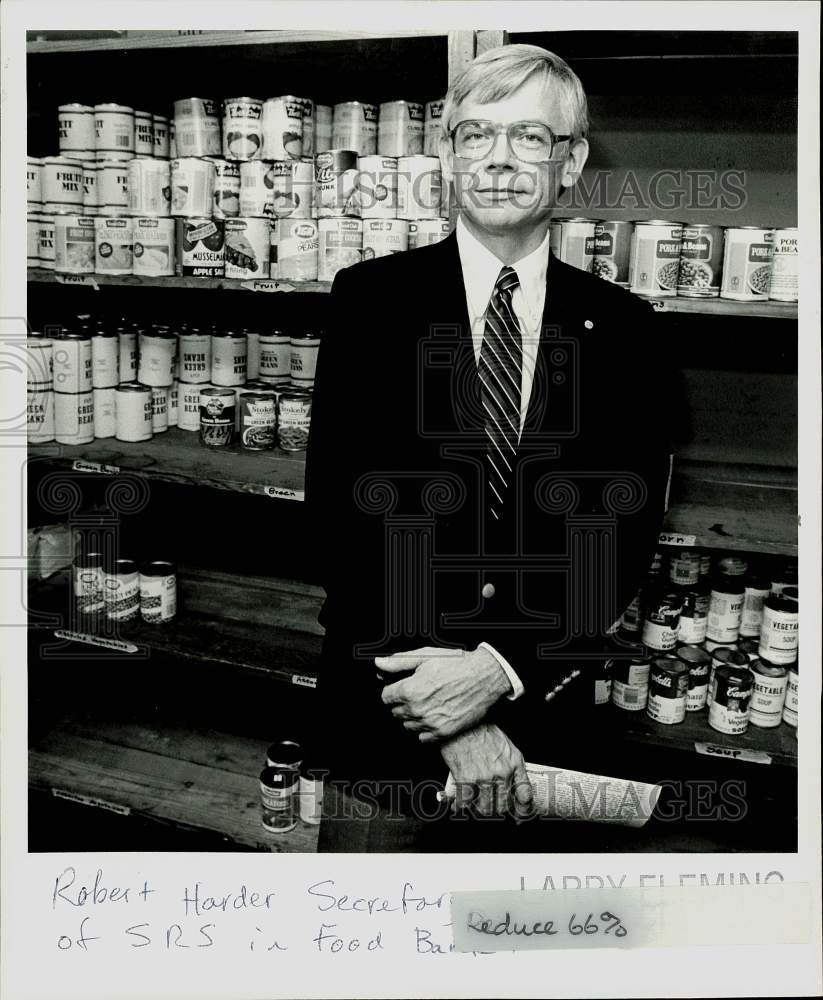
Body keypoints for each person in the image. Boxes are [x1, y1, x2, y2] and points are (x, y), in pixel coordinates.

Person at [306, 44, 675, 852]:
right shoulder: (369, 300)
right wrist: (445, 719)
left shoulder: (627, 329)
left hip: (542, 717)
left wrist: (498, 671)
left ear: (570, 160)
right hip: (388, 719)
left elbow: (618, 540)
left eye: (531, 137)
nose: (500, 161)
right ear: (446, 153)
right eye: (476, 134)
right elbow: (340, 519)